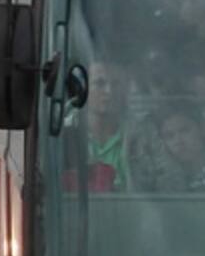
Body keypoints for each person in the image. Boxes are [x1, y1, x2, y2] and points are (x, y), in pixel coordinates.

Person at [73, 59, 181, 193]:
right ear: (83, 88)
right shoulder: (67, 134)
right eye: (100, 83)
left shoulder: (145, 133)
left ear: (126, 89)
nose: (109, 91)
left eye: (116, 84)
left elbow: (173, 179)